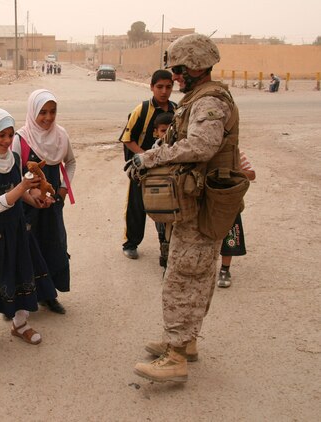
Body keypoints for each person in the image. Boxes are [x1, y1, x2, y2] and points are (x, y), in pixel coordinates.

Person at [127, 33, 243, 383]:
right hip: (197, 201)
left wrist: (149, 158)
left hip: (204, 203)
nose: (175, 76)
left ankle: (175, 356)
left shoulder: (210, 102)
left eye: (178, 69)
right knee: (195, 273)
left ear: (195, 65)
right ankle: (185, 342)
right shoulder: (198, 99)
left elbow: (201, 146)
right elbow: (178, 138)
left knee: (181, 275)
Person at [0, 108, 45, 352]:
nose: (6, 140)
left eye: (10, 134)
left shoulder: (11, 160)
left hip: (16, 230)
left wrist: (34, 199)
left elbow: (16, 191)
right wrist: (24, 185)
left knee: (21, 272)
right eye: (0, 135)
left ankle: (20, 324)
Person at [13, 89, 76, 315]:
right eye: (42, 112)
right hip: (27, 207)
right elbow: (13, 175)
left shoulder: (60, 136)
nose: (48, 118)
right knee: (28, 249)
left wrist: (61, 193)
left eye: (52, 112)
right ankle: (22, 301)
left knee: (53, 245)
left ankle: (49, 295)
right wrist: (32, 197)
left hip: (52, 206)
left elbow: (70, 163)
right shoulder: (20, 139)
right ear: (32, 112)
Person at [121, 70, 177, 260]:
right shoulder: (142, 110)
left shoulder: (177, 111)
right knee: (136, 206)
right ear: (152, 87)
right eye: (159, 87)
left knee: (165, 205)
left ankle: (166, 242)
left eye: (168, 87)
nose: (164, 91)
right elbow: (127, 139)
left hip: (166, 169)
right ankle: (131, 243)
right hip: (142, 169)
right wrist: (145, 157)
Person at [218, 151, 256, 287]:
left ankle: (224, 269)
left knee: (230, 234)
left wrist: (233, 172)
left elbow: (251, 174)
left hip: (229, 200)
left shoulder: (234, 152)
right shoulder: (202, 148)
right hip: (206, 200)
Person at [151, 112, 175, 268]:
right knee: (161, 226)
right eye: (163, 130)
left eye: (170, 130)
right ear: (156, 132)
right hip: (159, 197)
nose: (166, 134)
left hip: (174, 196)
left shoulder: (178, 148)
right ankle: (164, 252)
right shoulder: (154, 149)